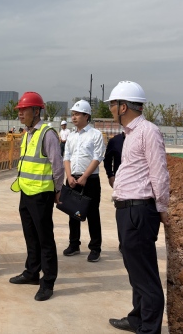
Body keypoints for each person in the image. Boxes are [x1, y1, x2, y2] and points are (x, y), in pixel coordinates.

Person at [106, 81, 170, 334]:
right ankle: (137, 319)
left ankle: (149, 329)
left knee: (145, 277)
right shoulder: (130, 134)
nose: (111, 109)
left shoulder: (148, 131)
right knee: (136, 272)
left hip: (139, 211)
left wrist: (162, 207)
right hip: (127, 210)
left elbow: (159, 173)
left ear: (123, 107)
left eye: (113, 104)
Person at [9, 92, 64, 301]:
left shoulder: (47, 134)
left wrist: (57, 190)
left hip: (41, 194)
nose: (20, 113)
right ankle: (31, 272)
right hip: (26, 192)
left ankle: (47, 282)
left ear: (36, 111)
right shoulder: (27, 134)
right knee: (30, 236)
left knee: (45, 239)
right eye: (19, 110)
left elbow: (57, 166)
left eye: (24, 110)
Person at [62, 100, 105, 262]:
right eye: (72, 114)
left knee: (93, 214)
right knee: (73, 213)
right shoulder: (71, 136)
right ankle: (74, 244)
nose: (73, 117)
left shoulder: (95, 134)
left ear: (86, 116)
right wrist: (69, 176)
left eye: (77, 114)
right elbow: (66, 157)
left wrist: (85, 176)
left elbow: (98, 157)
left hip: (90, 180)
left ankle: (95, 248)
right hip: (73, 178)